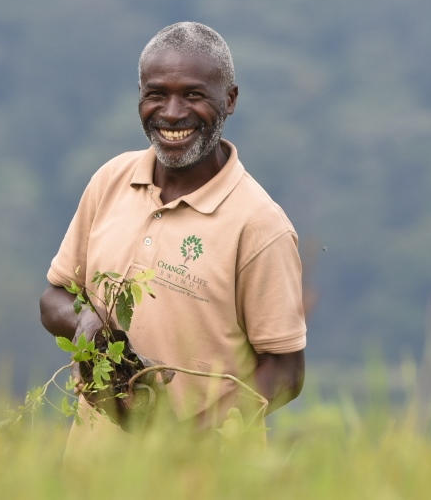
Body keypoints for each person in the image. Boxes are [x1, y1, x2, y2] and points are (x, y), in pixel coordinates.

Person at [39, 22, 306, 435]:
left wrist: (182, 442)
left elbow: (286, 372)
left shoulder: (259, 224)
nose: (172, 113)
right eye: (157, 94)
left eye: (194, 95)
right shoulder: (111, 179)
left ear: (230, 99)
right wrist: (87, 321)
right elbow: (55, 296)